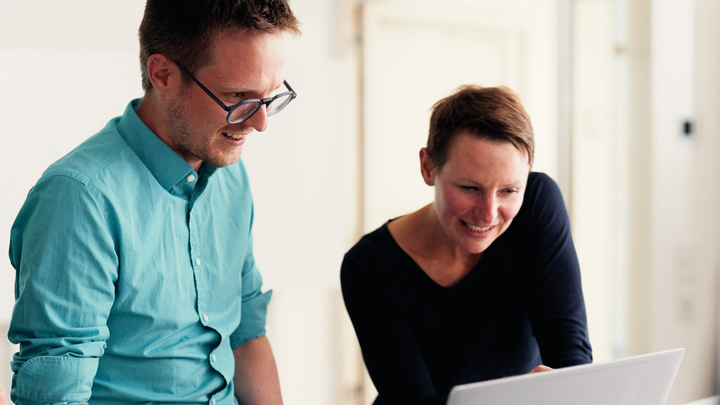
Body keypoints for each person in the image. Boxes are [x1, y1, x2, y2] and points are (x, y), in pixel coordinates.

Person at [8, 1, 300, 404]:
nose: (259, 122)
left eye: (270, 97)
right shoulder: (79, 198)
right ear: (162, 73)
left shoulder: (229, 172)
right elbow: (57, 393)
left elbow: (246, 332)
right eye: (238, 96)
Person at [341, 85, 593, 405]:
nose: (488, 214)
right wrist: (520, 399)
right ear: (428, 167)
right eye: (470, 188)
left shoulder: (537, 204)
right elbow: (412, 401)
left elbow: (570, 353)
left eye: (509, 191)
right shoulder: (370, 267)